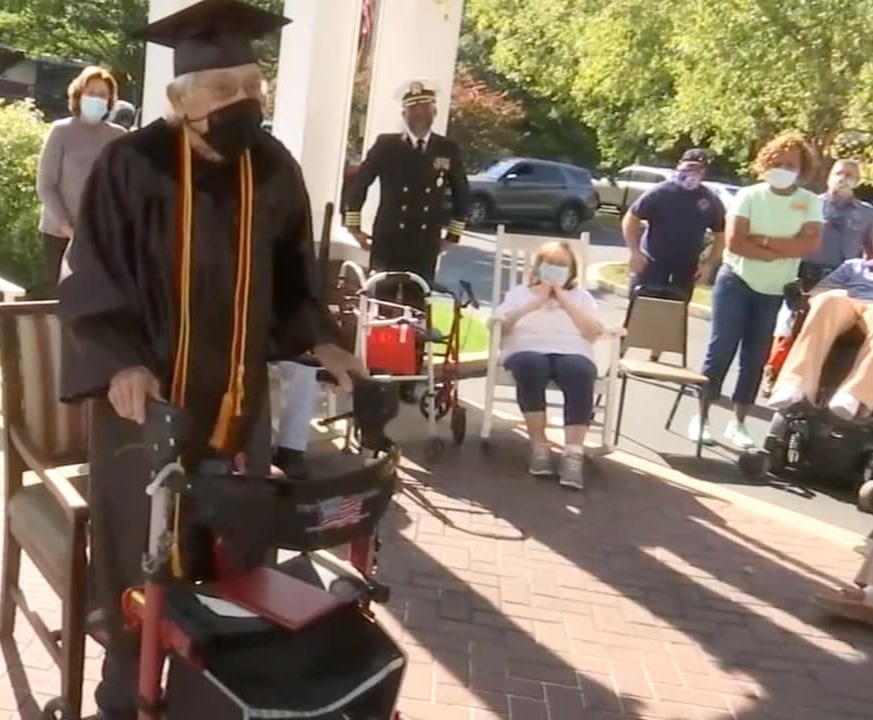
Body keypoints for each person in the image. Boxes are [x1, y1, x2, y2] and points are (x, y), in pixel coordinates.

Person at [56, 1, 365, 717]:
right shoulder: (129, 166)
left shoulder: (274, 167)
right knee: (141, 556)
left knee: (236, 552)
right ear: (180, 100)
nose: (243, 103)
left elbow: (292, 279)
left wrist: (321, 339)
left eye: (252, 88)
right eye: (224, 90)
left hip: (238, 407)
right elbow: (89, 280)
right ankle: (124, 692)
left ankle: (215, 693)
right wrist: (121, 363)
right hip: (145, 410)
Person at [689, 132, 823, 449]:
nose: (783, 168)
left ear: (801, 168)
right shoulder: (749, 195)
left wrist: (761, 241)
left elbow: (809, 244)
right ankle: (702, 417)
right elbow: (735, 241)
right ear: (766, 163)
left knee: (754, 359)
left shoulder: (809, 202)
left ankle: (738, 423)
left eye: (790, 164)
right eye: (777, 162)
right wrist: (781, 247)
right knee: (721, 351)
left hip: (774, 291)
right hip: (736, 282)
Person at [496, 241, 603, 490]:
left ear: (572, 271)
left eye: (562, 266)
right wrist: (537, 301)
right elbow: (502, 326)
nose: (555, 270)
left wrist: (565, 301)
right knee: (531, 366)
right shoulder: (519, 294)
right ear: (539, 267)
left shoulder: (582, 298)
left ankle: (573, 453)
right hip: (527, 348)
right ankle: (539, 445)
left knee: (579, 371)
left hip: (571, 350)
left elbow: (593, 332)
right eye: (550, 264)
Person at [341, 79, 470, 283]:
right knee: (381, 298)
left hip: (425, 240)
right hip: (389, 237)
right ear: (404, 115)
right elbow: (360, 184)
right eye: (413, 109)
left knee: (418, 300)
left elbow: (461, 193)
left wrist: (452, 236)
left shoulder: (447, 148)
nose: (419, 114)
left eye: (425, 109)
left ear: (434, 113)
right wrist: (354, 228)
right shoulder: (387, 145)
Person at [764, 159, 873, 388]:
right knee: (790, 322)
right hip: (807, 274)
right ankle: (774, 372)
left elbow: (869, 249)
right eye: (839, 173)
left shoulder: (866, 213)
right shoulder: (809, 204)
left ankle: (827, 378)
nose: (843, 178)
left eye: (849, 175)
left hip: (843, 281)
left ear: (857, 181)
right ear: (829, 176)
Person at [35, 65, 126, 297]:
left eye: (103, 95)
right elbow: (46, 185)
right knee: (62, 298)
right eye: (91, 93)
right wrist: (67, 227)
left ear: (110, 101)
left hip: (100, 237)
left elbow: (122, 188)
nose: (97, 99)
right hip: (59, 234)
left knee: (94, 299)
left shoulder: (118, 137)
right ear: (79, 95)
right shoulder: (61, 131)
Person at [766, 257, 873, 418]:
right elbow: (819, 292)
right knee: (827, 299)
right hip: (848, 304)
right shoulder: (854, 266)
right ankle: (796, 384)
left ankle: (854, 394)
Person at [622, 149, 726, 301]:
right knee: (640, 316)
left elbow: (721, 235)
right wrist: (635, 252)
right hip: (651, 265)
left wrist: (708, 265)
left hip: (685, 271)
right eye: (689, 167)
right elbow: (630, 219)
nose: (693, 173)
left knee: (673, 318)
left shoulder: (710, 200)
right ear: (679, 165)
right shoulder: (660, 192)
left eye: (698, 169)